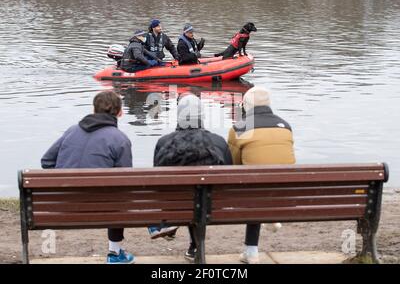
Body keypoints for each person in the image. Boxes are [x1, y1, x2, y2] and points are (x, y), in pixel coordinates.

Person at [41, 91, 135, 264]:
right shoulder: (120, 139)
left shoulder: (71, 131)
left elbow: (46, 161)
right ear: (120, 113)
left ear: (93, 109)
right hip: (102, 209)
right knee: (120, 194)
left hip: (61, 205)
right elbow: (125, 180)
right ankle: (114, 253)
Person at [152, 93, 232, 261]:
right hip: (214, 206)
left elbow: (158, 182)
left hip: (176, 206)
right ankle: (195, 246)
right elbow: (228, 178)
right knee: (200, 196)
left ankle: (193, 244)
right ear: (202, 116)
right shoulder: (218, 142)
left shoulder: (163, 142)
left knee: (190, 197)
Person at [227, 86, 296, 264]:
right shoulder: (285, 126)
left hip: (255, 192)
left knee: (253, 184)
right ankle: (271, 215)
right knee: (262, 178)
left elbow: (232, 166)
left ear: (245, 106)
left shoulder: (241, 127)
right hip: (286, 191)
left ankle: (251, 252)